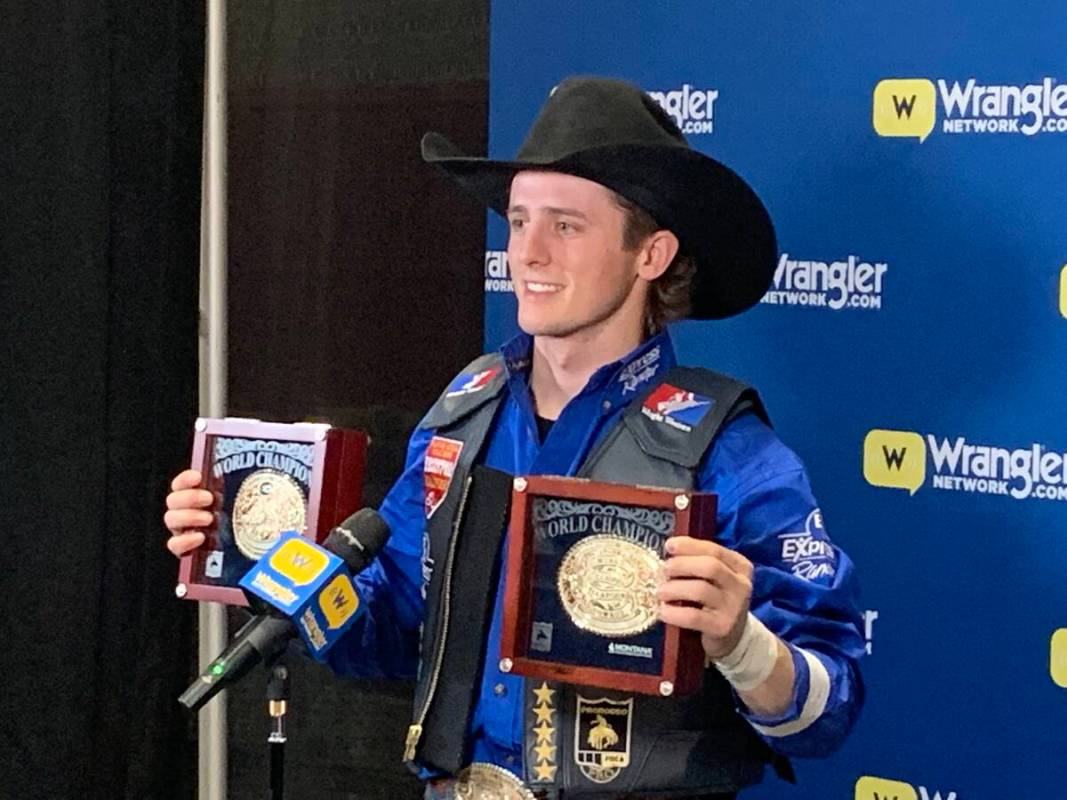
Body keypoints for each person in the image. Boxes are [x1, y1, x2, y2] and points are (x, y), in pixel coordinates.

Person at [165, 76, 864, 799]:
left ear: (650, 254)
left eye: (565, 226)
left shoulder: (729, 451)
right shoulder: (465, 414)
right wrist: (254, 553)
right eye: (519, 221)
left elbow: (827, 709)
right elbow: (393, 631)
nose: (526, 254)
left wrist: (739, 642)